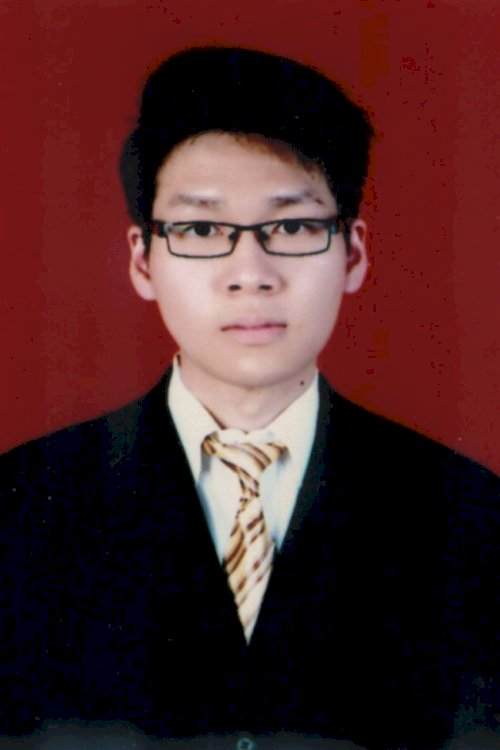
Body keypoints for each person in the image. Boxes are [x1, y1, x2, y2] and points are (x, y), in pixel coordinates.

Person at [0, 47, 498, 750]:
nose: (250, 272)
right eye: (202, 229)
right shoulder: (20, 505)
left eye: (292, 227)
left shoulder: (471, 515)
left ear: (353, 254)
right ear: (143, 260)